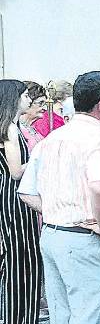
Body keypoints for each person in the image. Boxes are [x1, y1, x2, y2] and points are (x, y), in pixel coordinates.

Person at [18, 71, 100, 324]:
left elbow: (26, 191)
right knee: (90, 315)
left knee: (63, 315)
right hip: (85, 239)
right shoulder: (99, 139)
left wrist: (58, 213)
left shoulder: (53, 138)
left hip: (54, 234)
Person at [0, 80, 42, 324]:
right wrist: (40, 155)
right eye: (25, 95)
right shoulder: (10, 129)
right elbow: (16, 171)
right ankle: (20, 317)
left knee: (23, 260)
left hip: (12, 195)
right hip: (14, 197)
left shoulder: (11, 126)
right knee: (21, 260)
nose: (28, 99)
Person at [19, 81, 47, 150]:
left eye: (45, 104)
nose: (44, 108)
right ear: (28, 102)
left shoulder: (32, 129)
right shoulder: (17, 131)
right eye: (40, 103)